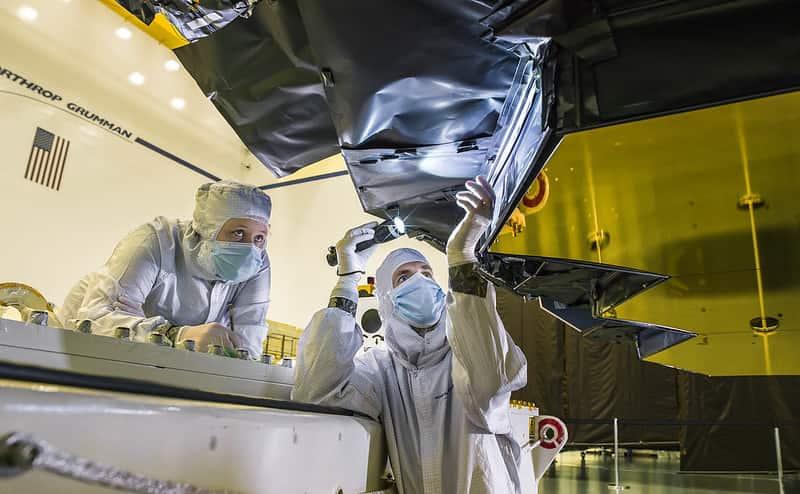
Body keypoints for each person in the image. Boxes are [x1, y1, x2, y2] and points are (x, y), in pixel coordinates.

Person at [293, 176, 528, 493]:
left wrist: (461, 255)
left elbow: (490, 383)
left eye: (427, 274)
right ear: (387, 298)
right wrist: (347, 279)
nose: (421, 282)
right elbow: (316, 391)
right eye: (404, 277)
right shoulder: (379, 369)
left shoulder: (464, 351)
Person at [58, 180, 272, 358]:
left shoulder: (258, 264)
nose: (250, 248)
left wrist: (141, 324)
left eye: (260, 237)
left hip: (160, 361)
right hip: (76, 351)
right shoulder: (154, 242)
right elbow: (96, 319)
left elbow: (248, 345)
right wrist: (176, 334)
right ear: (208, 230)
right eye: (238, 233)